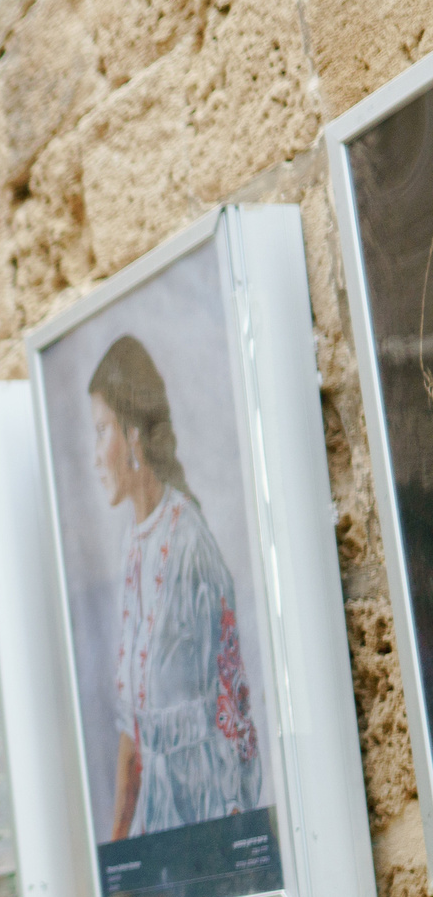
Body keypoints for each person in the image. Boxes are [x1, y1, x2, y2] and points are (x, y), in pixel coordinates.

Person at [87, 334, 264, 840]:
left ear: (134, 434)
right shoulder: (132, 547)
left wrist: (240, 842)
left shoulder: (190, 542)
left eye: (101, 432)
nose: (95, 455)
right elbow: (132, 726)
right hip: (160, 822)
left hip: (208, 813)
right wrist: (118, 851)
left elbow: (234, 707)